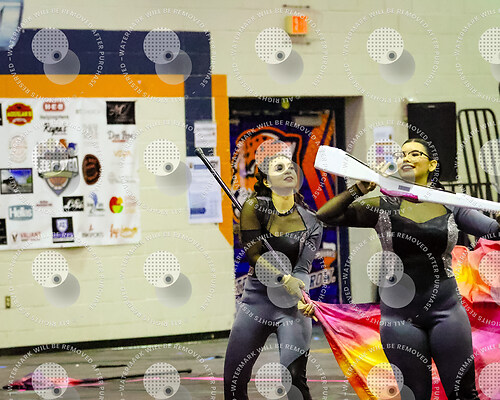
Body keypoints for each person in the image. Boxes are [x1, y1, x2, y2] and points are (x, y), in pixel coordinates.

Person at [316, 138, 500, 400]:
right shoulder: (382, 205)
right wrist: (359, 188)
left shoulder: (451, 203)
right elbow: (325, 215)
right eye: (402, 154)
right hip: (399, 319)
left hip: (446, 312)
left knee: (463, 393)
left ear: (432, 164)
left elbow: (493, 231)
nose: (406, 158)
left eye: (415, 154)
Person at [224, 153, 322, 400]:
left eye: (291, 167)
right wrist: (282, 278)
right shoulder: (253, 207)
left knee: (294, 380)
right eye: (279, 168)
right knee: (234, 380)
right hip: (255, 303)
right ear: (267, 181)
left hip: (292, 308)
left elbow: (302, 269)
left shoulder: (312, 221)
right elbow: (254, 256)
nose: (288, 170)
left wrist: (303, 297)